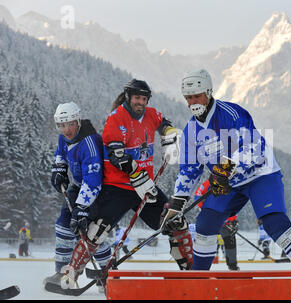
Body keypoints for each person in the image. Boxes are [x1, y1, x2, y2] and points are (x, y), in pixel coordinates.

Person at [160, 69, 291, 298]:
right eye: (188, 98)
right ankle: (198, 283)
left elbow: (253, 148)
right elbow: (189, 171)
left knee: (275, 224)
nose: (193, 102)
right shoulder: (191, 130)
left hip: (261, 175)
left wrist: (225, 169)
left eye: (197, 95)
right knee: (205, 224)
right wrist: (176, 205)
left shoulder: (231, 113)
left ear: (209, 93)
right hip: (228, 184)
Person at [60, 79, 192, 288]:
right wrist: (136, 173)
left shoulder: (151, 114)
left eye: (144, 98)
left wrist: (170, 134)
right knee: (96, 230)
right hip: (117, 186)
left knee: (175, 221)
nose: (140, 102)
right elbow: (116, 154)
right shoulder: (116, 118)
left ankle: (192, 272)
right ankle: (71, 274)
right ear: (129, 97)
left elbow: (163, 123)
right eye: (137, 97)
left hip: (145, 186)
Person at [44, 102, 111, 286]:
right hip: (77, 186)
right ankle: (63, 273)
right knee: (64, 227)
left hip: (96, 191)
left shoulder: (89, 142)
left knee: (92, 234)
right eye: (62, 125)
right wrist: (59, 169)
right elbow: (60, 154)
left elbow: (93, 179)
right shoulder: (63, 139)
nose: (66, 129)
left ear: (78, 121)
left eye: (70, 124)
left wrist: (82, 207)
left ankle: (108, 275)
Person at [194, 180, 240, 270]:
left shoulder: (234, 183)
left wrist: (232, 220)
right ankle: (203, 268)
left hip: (227, 221)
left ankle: (233, 266)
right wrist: (207, 210)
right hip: (210, 218)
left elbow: (235, 203)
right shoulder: (208, 182)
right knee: (208, 242)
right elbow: (197, 195)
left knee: (230, 241)